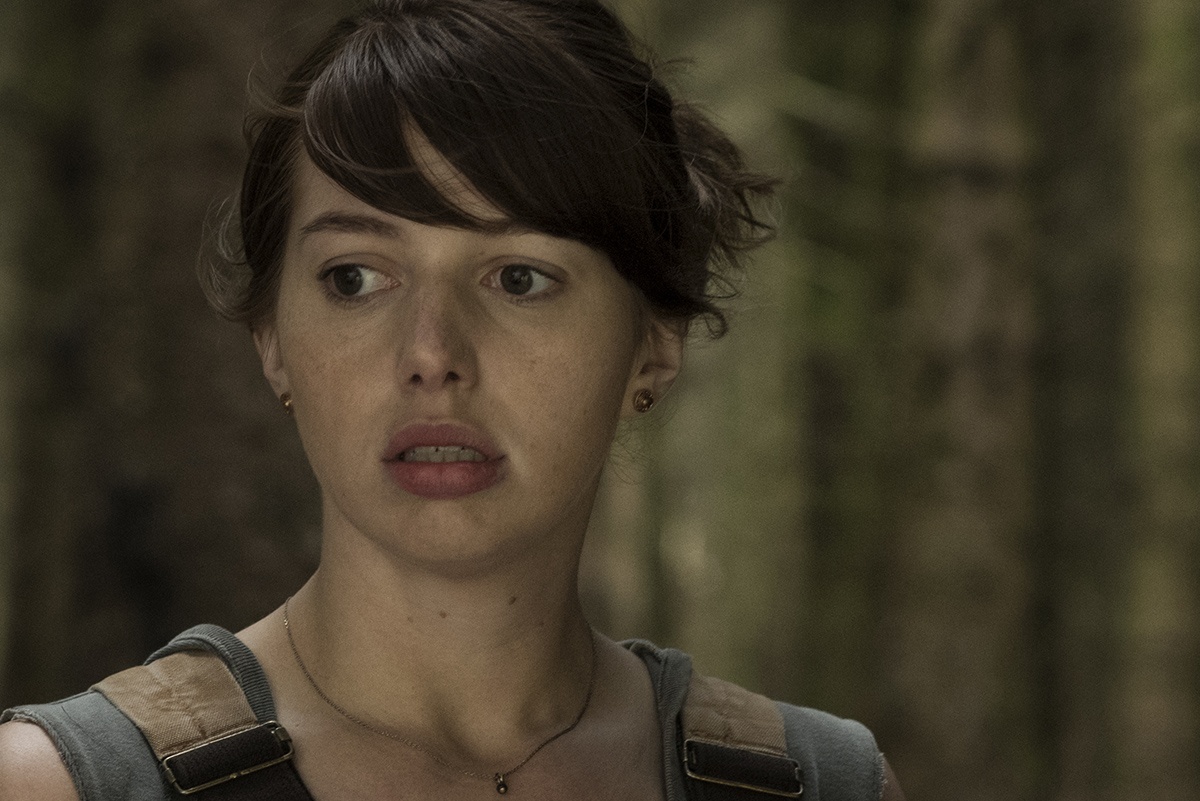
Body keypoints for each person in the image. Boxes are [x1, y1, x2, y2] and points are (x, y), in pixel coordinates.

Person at [0, 1, 903, 799]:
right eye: (355, 277)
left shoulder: (820, 783)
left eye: (519, 277)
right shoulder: (63, 785)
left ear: (654, 342)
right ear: (272, 339)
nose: (432, 355)